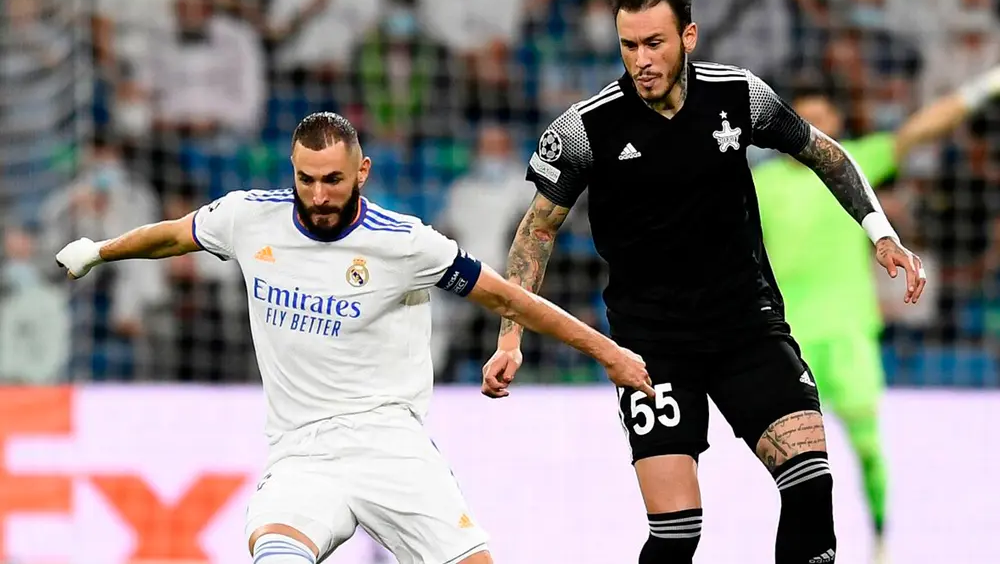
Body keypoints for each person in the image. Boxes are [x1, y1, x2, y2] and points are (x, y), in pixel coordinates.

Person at [55, 112, 654, 564]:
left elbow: (508, 296)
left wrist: (601, 352)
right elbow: (172, 236)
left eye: (333, 180)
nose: (318, 196)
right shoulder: (247, 217)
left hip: (390, 445)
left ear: (361, 172)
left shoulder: (406, 243)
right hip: (301, 453)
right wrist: (100, 252)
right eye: (306, 179)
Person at [480, 0, 927, 563]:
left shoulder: (739, 95)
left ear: (688, 36)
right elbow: (536, 231)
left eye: (655, 43)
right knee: (677, 533)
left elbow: (825, 153)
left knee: (811, 484)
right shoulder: (586, 130)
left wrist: (882, 234)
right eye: (629, 45)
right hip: (652, 346)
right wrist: (510, 334)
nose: (641, 60)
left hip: (748, 329)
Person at [752, 67, 1000, 564]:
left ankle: (882, 538)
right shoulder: (759, 182)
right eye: (804, 118)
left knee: (867, 446)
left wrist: (987, 83)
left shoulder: (853, 164)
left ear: (837, 121)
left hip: (848, 332)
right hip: (786, 337)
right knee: (793, 459)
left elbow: (923, 127)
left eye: (822, 117)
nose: (814, 128)